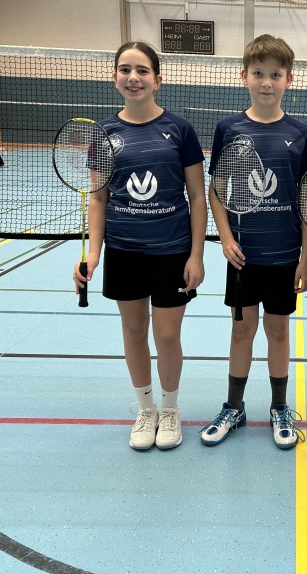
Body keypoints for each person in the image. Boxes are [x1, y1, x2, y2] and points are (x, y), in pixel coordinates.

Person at [73, 41, 207, 451]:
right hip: (124, 251)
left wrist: (197, 255)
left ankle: (170, 408)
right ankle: (145, 409)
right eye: (125, 69)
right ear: (115, 77)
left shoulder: (180, 130)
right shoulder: (104, 134)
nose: (134, 77)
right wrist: (93, 254)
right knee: (133, 332)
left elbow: (197, 197)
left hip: (172, 251)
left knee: (167, 337)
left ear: (157, 79)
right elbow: (98, 199)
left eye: (142, 70)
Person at [201, 34, 307, 450]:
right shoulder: (229, 129)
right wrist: (225, 237)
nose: (266, 82)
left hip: (285, 256)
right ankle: (234, 406)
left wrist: (306, 258)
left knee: (278, 331)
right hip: (243, 257)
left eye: (275, 74)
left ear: (289, 79)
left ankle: (279, 406)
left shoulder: (301, 134)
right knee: (241, 332)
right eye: (258, 73)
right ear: (244, 76)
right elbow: (216, 189)